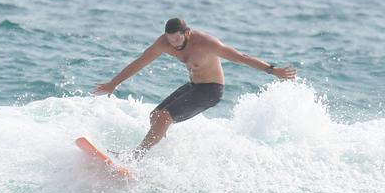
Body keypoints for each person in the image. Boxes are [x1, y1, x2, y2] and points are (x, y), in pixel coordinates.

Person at [94, 18, 296, 158]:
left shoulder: (207, 43)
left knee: (164, 117)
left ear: (187, 33)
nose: (174, 45)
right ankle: (156, 157)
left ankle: (136, 157)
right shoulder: (165, 42)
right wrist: (114, 83)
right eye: (170, 40)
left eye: (177, 40)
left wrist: (272, 70)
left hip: (211, 90)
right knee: (156, 116)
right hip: (194, 86)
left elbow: (242, 58)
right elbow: (140, 62)